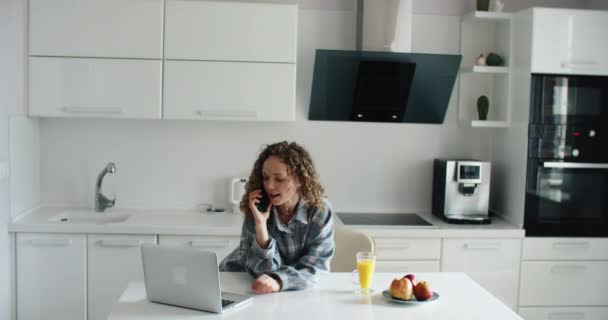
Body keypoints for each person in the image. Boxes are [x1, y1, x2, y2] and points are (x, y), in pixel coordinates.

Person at [220, 141, 335, 294]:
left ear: (299, 180)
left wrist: (280, 280)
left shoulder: (319, 210)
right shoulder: (256, 207)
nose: (269, 186)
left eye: (279, 179)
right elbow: (261, 273)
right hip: (236, 279)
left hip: (284, 289)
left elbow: (316, 268)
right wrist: (261, 227)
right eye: (265, 178)